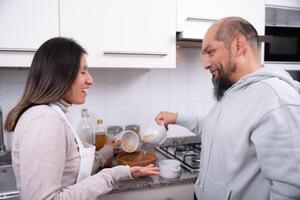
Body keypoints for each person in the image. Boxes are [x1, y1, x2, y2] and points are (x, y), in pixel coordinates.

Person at [155, 17, 300, 200]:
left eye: (210, 52)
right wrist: (176, 117)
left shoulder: (276, 100)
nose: (205, 64)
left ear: (238, 45)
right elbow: (219, 128)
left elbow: (292, 190)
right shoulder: (234, 91)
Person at [4, 37, 159, 200]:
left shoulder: (51, 114)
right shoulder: (43, 120)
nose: (90, 80)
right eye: (83, 71)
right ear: (61, 75)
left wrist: (120, 168)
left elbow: (72, 169)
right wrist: (109, 177)